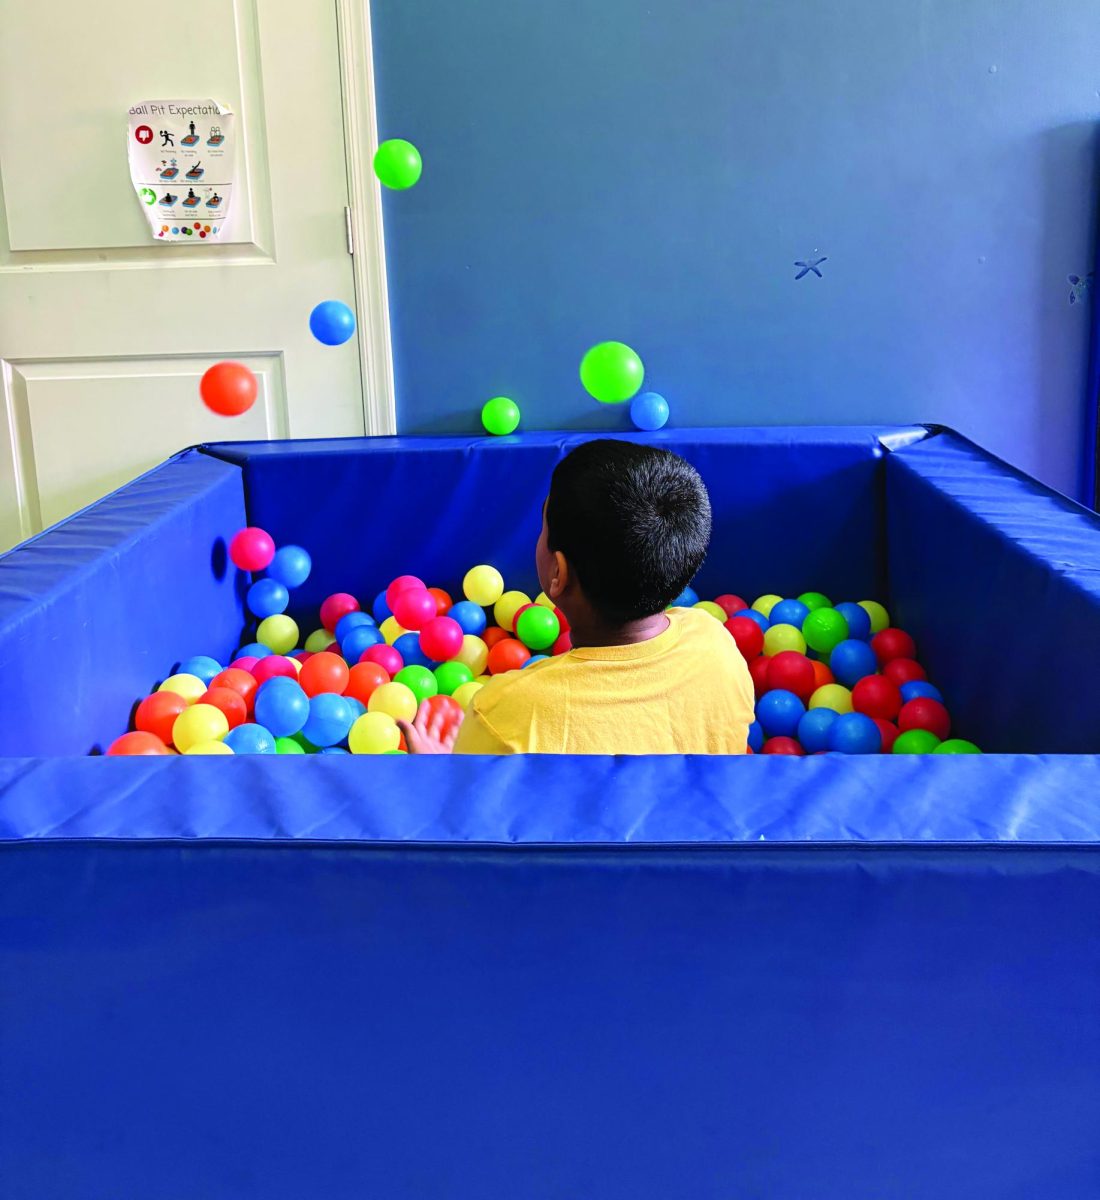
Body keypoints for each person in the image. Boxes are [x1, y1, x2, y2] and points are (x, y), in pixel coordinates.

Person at [398, 439, 755, 754]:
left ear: (558, 572)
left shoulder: (505, 713)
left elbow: (468, 814)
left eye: (543, 527)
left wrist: (440, 769)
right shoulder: (716, 645)